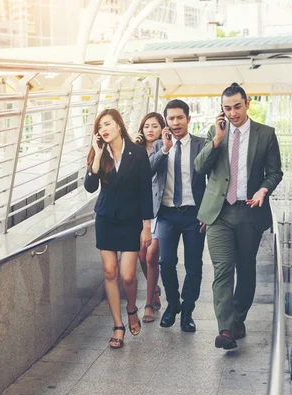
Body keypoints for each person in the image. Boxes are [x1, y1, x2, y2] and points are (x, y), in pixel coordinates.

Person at [194, 83, 283, 350]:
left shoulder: (265, 134)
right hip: (219, 213)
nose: (232, 113)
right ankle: (225, 329)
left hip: (249, 211)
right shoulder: (215, 132)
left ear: (247, 104)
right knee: (222, 269)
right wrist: (217, 140)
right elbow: (200, 167)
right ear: (221, 109)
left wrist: (263, 189)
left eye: (237, 107)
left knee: (245, 269)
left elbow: (275, 171)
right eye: (227, 108)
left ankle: (238, 319)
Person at [84, 108, 153, 349]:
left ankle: (131, 308)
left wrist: (147, 227)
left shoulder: (137, 152)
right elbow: (90, 187)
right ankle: (118, 325)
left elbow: (145, 190)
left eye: (107, 123)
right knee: (110, 272)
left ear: (118, 125)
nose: (103, 129)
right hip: (105, 218)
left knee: (128, 275)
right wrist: (97, 154)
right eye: (100, 126)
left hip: (131, 220)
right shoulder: (99, 154)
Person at [148, 100, 207, 333]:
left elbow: (212, 178)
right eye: (171, 119)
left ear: (188, 119)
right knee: (166, 262)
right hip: (167, 214)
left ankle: (188, 311)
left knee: (194, 265)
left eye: (180, 118)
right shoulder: (158, 146)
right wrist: (164, 148)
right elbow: (148, 171)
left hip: (194, 214)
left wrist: (208, 213)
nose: (176, 123)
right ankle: (173, 305)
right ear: (166, 122)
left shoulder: (202, 144)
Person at [134, 112, 165, 323]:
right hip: (137, 208)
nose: (150, 130)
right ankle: (154, 289)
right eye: (146, 126)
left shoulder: (167, 147)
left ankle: (147, 304)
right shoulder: (134, 150)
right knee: (140, 255)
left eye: (155, 126)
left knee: (151, 254)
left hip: (159, 209)